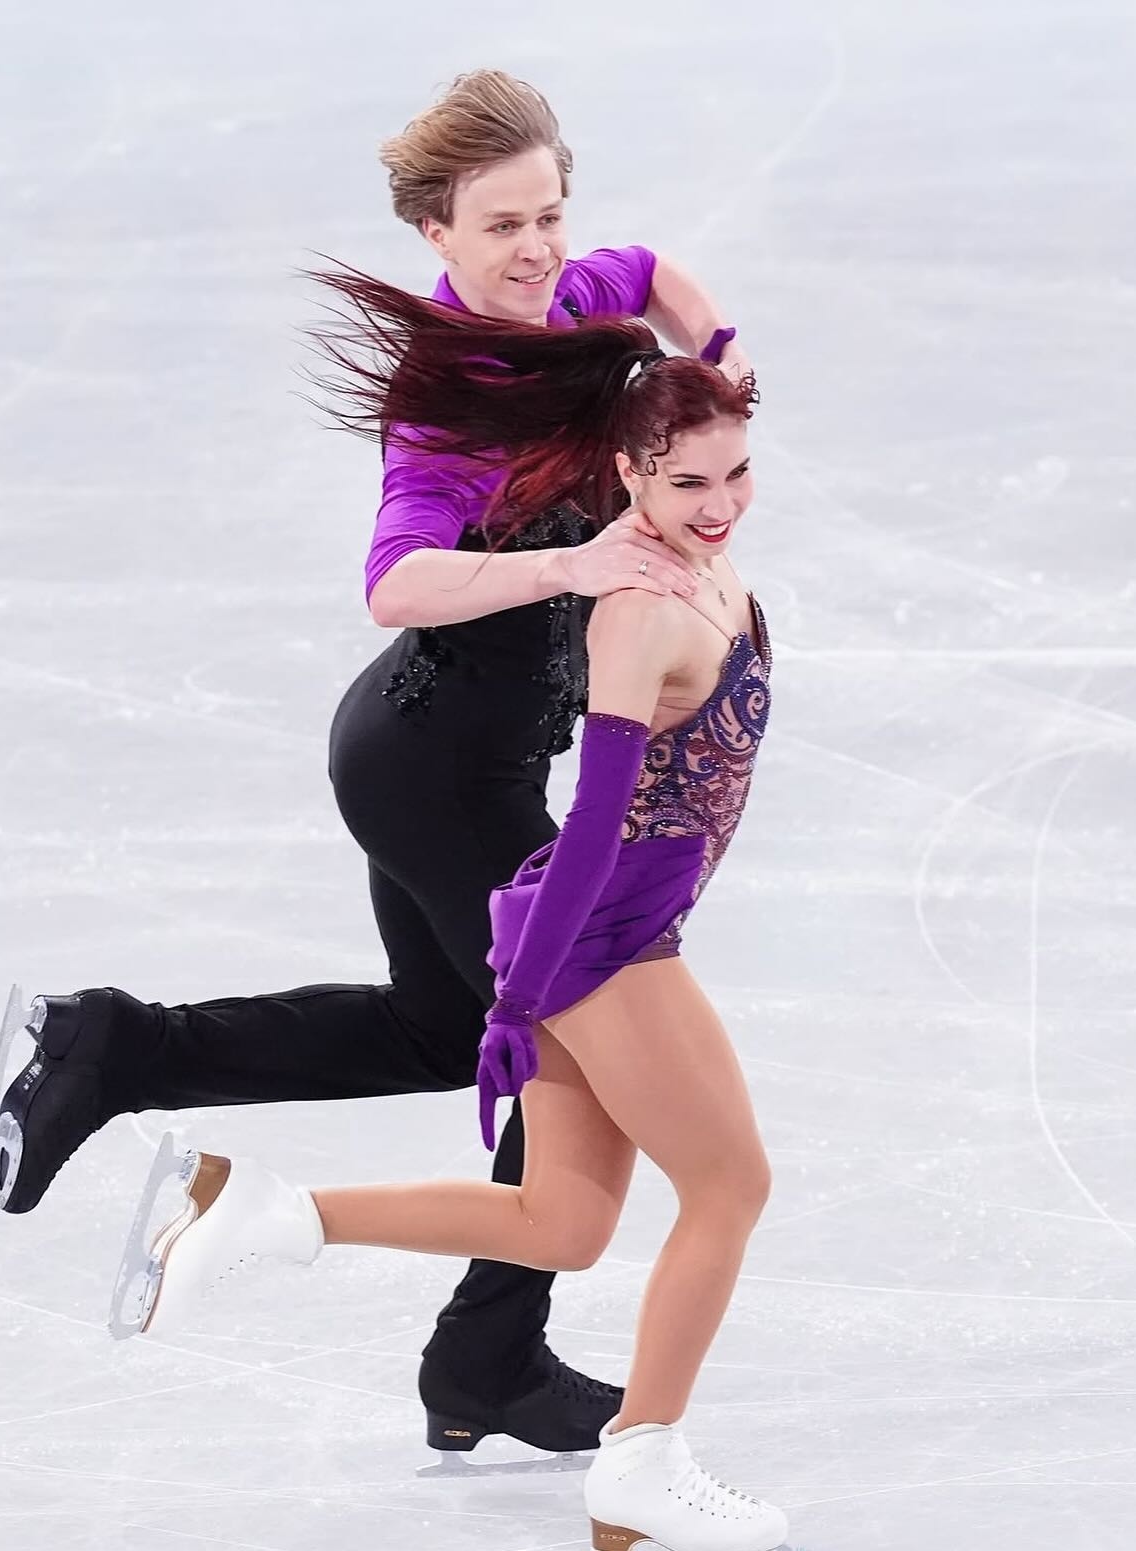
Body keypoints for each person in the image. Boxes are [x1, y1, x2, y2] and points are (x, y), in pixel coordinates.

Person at [0, 68, 752, 1458]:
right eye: (500, 226)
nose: (537, 249)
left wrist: (724, 360)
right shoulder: (444, 398)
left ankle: (119, 1044)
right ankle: (485, 1357)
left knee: (441, 1031)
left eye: (549, 215)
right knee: (565, 1029)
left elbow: (654, 274)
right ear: (434, 235)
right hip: (438, 766)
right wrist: (570, 564)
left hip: (438, 749)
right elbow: (394, 584)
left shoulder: (575, 294)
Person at [111, 275, 786, 1551]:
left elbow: (660, 287)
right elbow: (593, 821)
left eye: (737, 473)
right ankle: (642, 1467)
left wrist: (721, 355)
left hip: (605, 922)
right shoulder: (638, 612)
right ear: (628, 475)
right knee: (731, 1182)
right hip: (601, 931)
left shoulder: (701, 547)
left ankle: (264, 1212)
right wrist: (520, 998)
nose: (719, 503)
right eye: (688, 482)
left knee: (563, 1223)